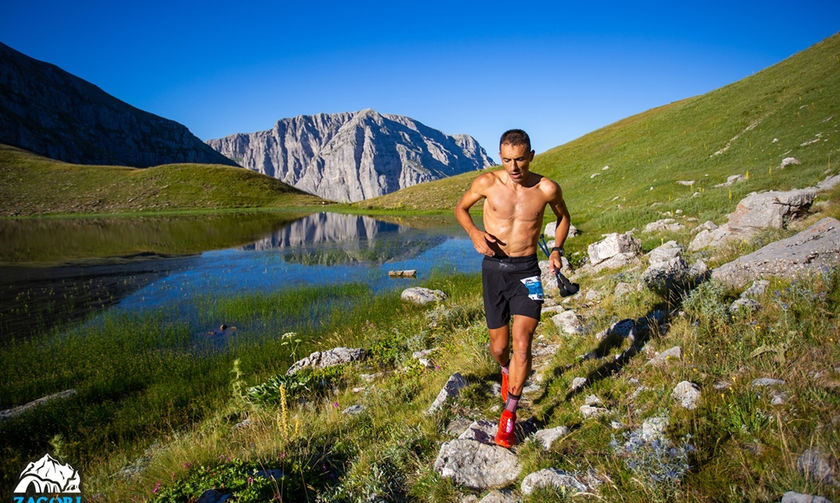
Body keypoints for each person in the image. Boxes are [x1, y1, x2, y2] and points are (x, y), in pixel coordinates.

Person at [454, 129, 571, 448]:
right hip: (494, 271)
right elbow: (460, 209)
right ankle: (506, 371)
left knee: (523, 341)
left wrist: (557, 249)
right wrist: (475, 234)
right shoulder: (487, 183)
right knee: (498, 348)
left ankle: (510, 412)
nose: (514, 167)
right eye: (507, 160)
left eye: (520, 159)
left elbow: (564, 218)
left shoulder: (547, 188)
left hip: (527, 270)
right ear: (500, 157)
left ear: (531, 155)